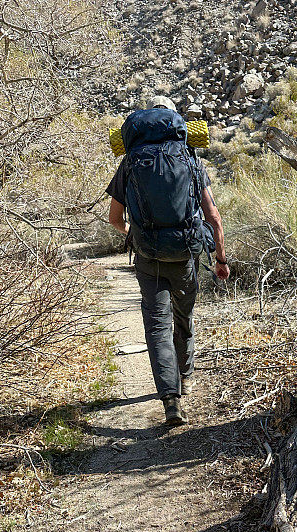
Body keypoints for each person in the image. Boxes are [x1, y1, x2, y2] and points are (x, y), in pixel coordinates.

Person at [106, 96, 229, 426]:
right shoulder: (189, 156)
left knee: (157, 325)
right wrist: (220, 258)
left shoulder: (130, 160)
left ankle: (170, 399)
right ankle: (184, 375)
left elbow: (114, 218)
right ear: (176, 122)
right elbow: (213, 217)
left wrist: (134, 231)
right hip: (185, 252)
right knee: (183, 316)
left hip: (147, 255)